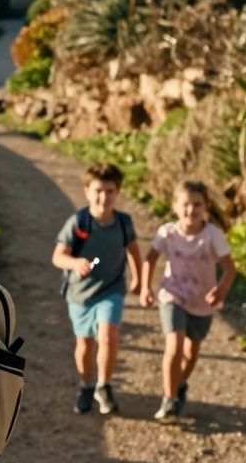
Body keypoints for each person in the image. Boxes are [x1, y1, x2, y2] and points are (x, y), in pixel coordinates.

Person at [140, 180, 236, 421]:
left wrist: (221, 290)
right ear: (175, 206)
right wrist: (145, 287)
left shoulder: (212, 235)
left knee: (191, 353)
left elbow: (230, 269)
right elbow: (150, 258)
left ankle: (179, 384)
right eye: (185, 205)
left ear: (205, 207)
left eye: (197, 205)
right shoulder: (167, 232)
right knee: (174, 343)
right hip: (173, 293)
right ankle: (169, 398)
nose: (190, 210)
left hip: (202, 300)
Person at [51, 162, 140, 415]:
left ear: (118, 192)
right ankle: (86, 385)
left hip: (111, 289)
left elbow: (133, 250)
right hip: (80, 294)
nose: (104, 197)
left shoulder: (123, 222)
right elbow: (57, 257)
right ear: (87, 191)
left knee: (108, 333)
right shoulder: (78, 222)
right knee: (85, 345)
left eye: (110, 191)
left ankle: (104, 384)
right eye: (98, 191)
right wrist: (75, 262)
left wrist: (140, 280)